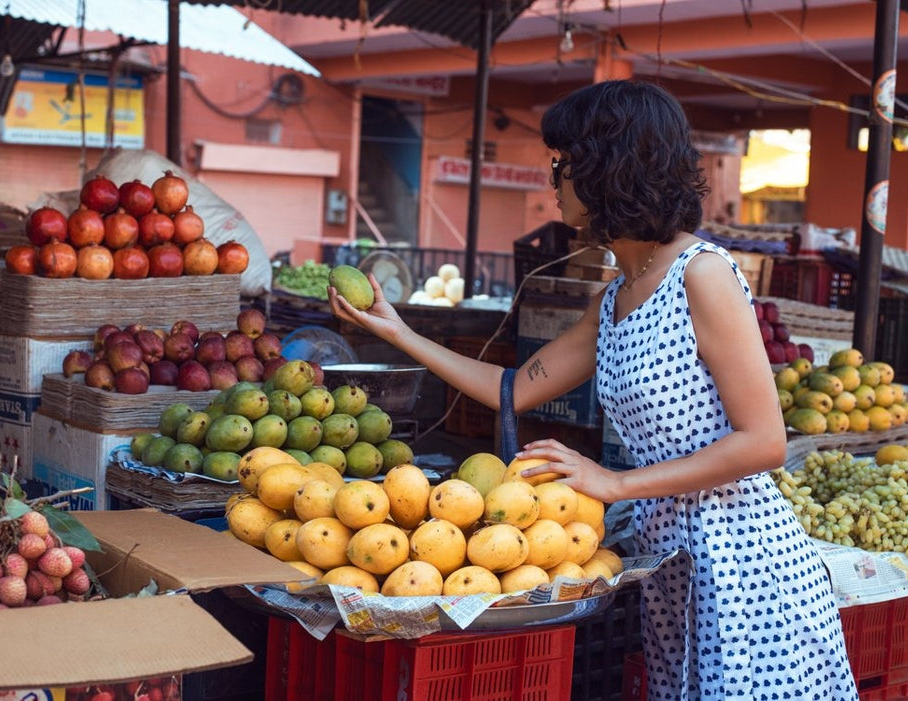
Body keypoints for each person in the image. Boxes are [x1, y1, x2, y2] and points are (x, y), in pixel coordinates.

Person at [328, 79, 858, 700]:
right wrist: (400, 334)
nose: (552, 180)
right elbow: (512, 389)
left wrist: (617, 483)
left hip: (745, 570)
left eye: (562, 163)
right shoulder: (615, 299)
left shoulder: (703, 275)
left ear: (610, 166)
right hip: (670, 567)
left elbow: (765, 442)